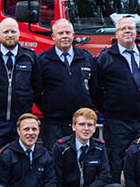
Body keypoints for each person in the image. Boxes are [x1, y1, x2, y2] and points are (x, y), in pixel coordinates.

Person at [92, 16, 140, 187]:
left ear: (137, 32)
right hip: (117, 120)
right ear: (116, 34)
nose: (128, 31)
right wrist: (108, 108)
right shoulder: (106, 57)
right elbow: (95, 90)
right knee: (114, 164)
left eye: (131, 28)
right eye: (123, 29)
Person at [0, 17, 39, 155]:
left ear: (19, 33)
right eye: (6, 32)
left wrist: (25, 100)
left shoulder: (30, 57)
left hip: (21, 120)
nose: (10, 35)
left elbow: (37, 85)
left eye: (13, 31)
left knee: (21, 158)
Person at [34, 19, 95, 147]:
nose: (65, 36)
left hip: (82, 123)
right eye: (60, 33)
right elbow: (36, 90)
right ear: (53, 37)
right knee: (55, 163)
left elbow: (95, 87)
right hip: (54, 125)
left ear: (73, 35)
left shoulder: (86, 58)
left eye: (68, 32)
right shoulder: (42, 60)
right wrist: (48, 108)